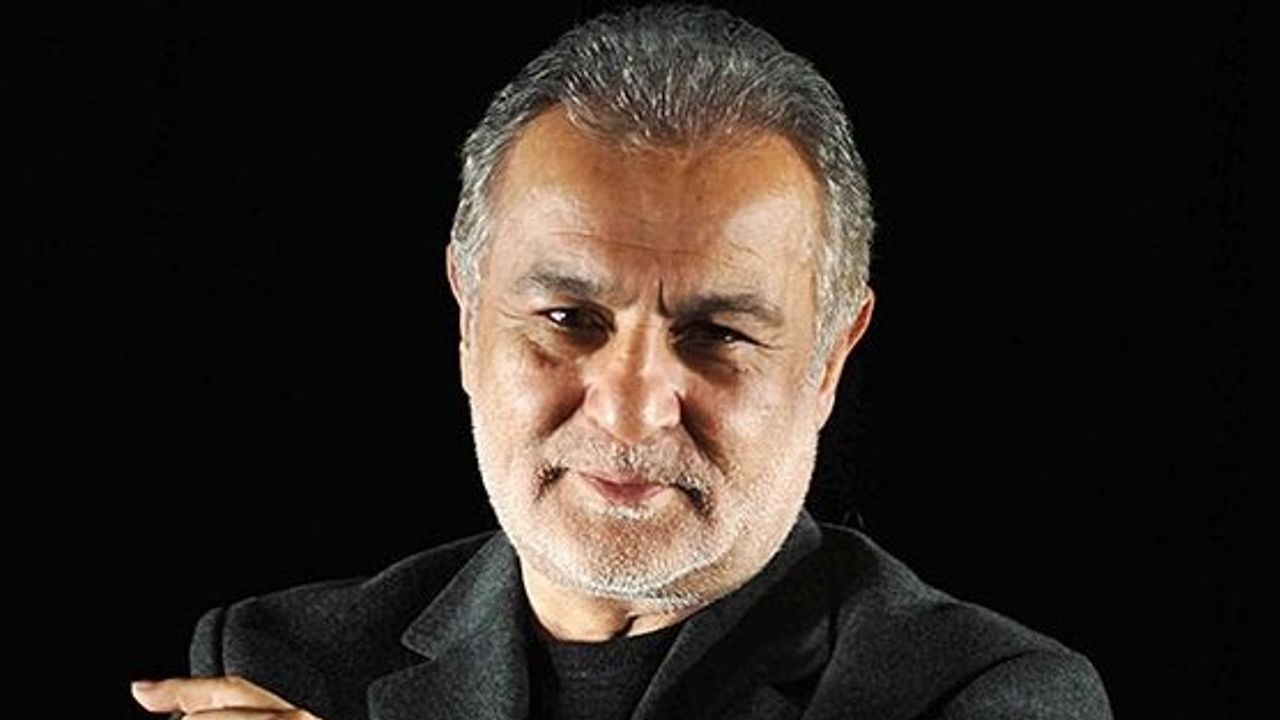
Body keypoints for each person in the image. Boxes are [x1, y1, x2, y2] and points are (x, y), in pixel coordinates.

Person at [132, 5, 1112, 719]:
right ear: (469, 323)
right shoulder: (278, 660)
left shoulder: (986, 696)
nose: (632, 408)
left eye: (716, 334)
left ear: (827, 362)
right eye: (568, 317)